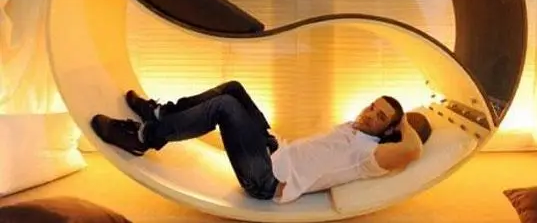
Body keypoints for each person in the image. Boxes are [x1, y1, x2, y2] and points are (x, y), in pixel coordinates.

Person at [91, 80, 432, 203]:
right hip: (273, 149)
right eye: (372, 107)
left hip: (267, 179)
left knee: (224, 107)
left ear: (390, 131)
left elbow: (413, 149)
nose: (370, 114)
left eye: (380, 117)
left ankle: (142, 137)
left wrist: (403, 122)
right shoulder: (354, 129)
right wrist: (271, 142)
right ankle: (161, 114)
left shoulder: (370, 155)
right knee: (233, 88)